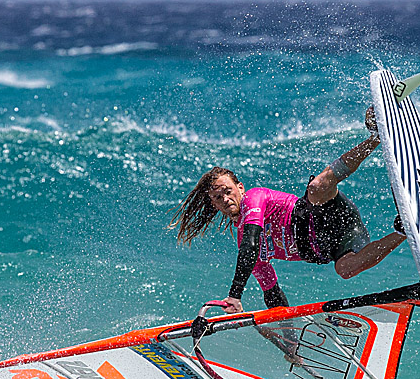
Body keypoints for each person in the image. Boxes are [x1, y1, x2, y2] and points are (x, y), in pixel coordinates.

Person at [170, 107, 406, 314]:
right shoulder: (249, 251)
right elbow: (273, 295)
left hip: (327, 213)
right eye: (217, 197)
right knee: (344, 269)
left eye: (227, 190)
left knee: (316, 188)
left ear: (240, 188)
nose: (225, 198)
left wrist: (235, 294)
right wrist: (289, 342)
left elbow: (251, 241)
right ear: (214, 205)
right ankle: (404, 230)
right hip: (333, 246)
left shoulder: (255, 198)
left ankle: (377, 137)